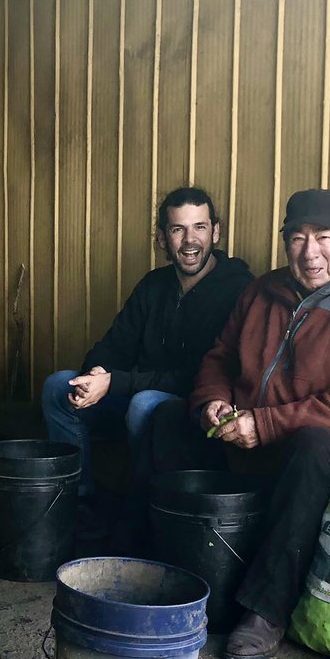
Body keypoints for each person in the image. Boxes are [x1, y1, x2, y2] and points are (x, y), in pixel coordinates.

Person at [148, 188, 330, 659]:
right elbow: (220, 358)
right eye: (297, 238)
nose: (310, 252)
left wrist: (267, 423)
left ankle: (265, 611)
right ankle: (169, 571)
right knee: (168, 419)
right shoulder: (263, 291)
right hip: (255, 435)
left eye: (324, 237)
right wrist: (213, 401)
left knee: (314, 446)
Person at [41, 186, 253, 534]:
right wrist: (95, 374)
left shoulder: (237, 289)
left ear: (215, 232)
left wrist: (116, 382)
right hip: (136, 389)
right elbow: (114, 346)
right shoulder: (154, 285)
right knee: (58, 386)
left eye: (199, 227)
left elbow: (198, 376)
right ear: (162, 238)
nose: (190, 240)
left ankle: (145, 511)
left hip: (194, 407)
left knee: (145, 405)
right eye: (178, 229)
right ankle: (78, 503)